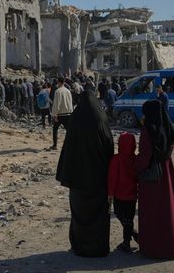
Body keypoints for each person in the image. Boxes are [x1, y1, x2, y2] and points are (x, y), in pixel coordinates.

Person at [55, 87, 114, 258]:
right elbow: (109, 145)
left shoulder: (76, 118)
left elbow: (68, 147)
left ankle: (80, 247)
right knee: (99, 213)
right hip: (98, 177)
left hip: (78, 177)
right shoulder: (100, 118)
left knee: (80, 213)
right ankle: (98, 247)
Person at [135, 100, 174, 259]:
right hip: (167, 171)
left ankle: (157, 248)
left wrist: (135, 166)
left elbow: (145, 155)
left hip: (153, 176)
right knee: (170, 208)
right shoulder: (167, 127)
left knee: (155, 211)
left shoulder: (148, 129)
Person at [107, 132, 137, 253]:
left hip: (119, 195)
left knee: (120, 215)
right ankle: (130, 236)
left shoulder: (116, 159)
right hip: (132, 196)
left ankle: (128, 240)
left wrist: (110, 192)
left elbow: (112, 178)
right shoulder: (135, 159)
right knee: (129, 219)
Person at [50, 77, 74, 150]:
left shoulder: (58, 91)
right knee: (69, 130)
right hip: (68, 113)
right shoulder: (68, 91)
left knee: (55, 129)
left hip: (60, 114)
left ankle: (55, 145)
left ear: (59, 82)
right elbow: (70, 102)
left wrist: (54, 114)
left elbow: (57, 103)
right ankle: (72, 144)